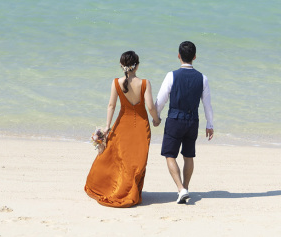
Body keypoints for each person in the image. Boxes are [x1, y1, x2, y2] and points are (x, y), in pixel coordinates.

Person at [84, 51, 162, 207]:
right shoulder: (145, 83)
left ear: (122, 66)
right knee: (137, 160)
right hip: (141, 126)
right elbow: (150, 106)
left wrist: (107, 126)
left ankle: (119, 187)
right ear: (137, 65)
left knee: (119, 158)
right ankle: (131, 190)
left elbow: (111, 105)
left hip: (122, 124)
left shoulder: (115, 83)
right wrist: (156, 119)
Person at [154, 41, 214, 204]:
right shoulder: (203, 78)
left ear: (179, 56)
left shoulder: (171, 75)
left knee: (169, 155)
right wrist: (210, 125)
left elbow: (161, 100)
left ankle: (181, 189)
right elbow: (207, 104)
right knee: (188, 156)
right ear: (194, 57)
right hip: (193, 121)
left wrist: (156, 116)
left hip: (175, 119)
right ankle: (185, 187)